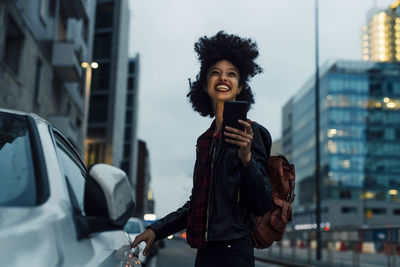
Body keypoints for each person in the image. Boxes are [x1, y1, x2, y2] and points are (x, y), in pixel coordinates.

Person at [131, 31, 272, 267]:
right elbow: (197, 204)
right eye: (215, 73)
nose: (223, 78)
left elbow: (262, 203)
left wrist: (247, 159)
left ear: (240, 87)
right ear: (206, 86)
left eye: (232, 74)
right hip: (205, 252)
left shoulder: (252, 133)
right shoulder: (205, 140)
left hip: (235, 252)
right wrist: (156, 230)